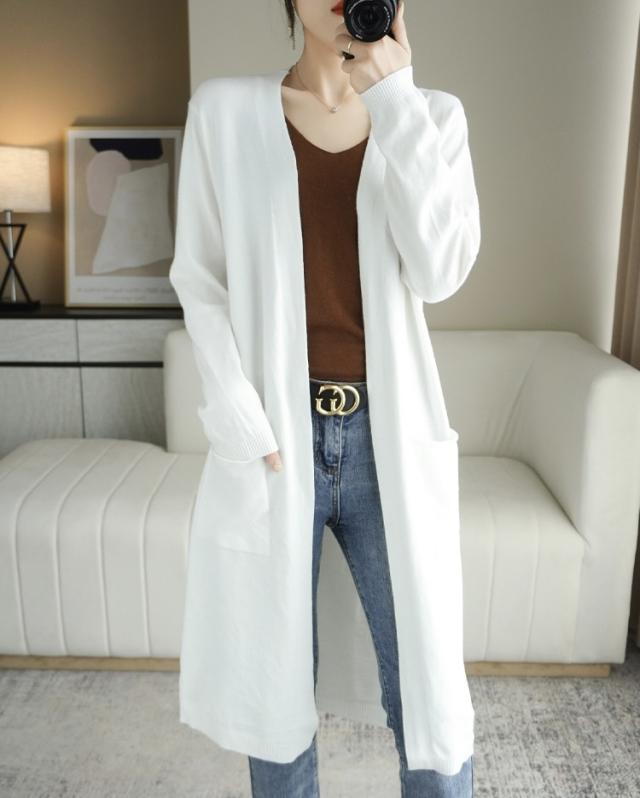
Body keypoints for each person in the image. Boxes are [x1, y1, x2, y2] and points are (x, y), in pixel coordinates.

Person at [244, 1, 474, 795]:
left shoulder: (433, 115)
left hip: (387, 437)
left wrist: (396, 100)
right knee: (274, 693)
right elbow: (211, 281)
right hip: (276, 437)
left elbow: (441, 273)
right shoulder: (241, 121)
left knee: (427, 689)